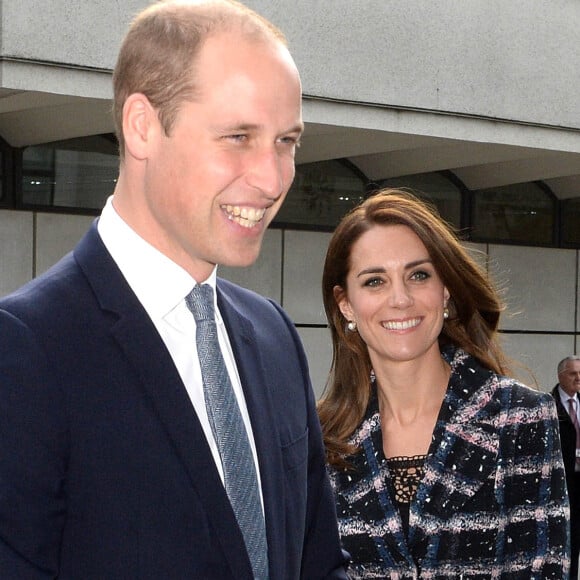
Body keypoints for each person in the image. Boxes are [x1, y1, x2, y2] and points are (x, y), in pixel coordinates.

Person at [0, 1, 348, 578]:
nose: (273, 177)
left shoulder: (274, 337)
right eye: (239, 136)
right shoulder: (26, 349)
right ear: (143, 126)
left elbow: (317, 562)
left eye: (287, 141)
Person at [318, 189, 569, 578]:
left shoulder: (519, 418)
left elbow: (543, 569)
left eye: (419, 275)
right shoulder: (318, 439)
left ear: (445, 289)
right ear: (346, 304)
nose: (400, 299)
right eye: (374, 281)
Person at [551, 355, 580, 579]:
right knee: (566, 541)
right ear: (561, 376)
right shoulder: (549, 405)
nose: (578, 378)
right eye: (573, 373)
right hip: (563, 483)